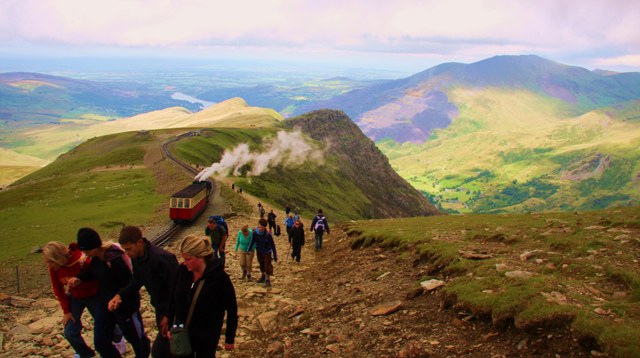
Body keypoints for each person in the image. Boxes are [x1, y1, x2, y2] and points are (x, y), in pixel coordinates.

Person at [68, 228, 150, 358]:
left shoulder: (115, 259)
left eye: (87, 250)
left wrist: (119, 296)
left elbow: (131, 282)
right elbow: (94, 273)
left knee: (136, 339)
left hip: (125, 306)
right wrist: (80, 278)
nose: (85, 254)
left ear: (95, 246)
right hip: (104, 303)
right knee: (100, 342)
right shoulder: (95, 258)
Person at [43, 241, 127, 358]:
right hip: (76, 297)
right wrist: (66, 311)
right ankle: (85, 353)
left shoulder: (81, 260)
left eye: (51, 262)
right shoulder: (55, 268)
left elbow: (97, 273)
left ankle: (118, 338)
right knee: (69, 331)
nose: (50, 265)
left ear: (58, 258)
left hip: (94, 295)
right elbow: (58, 289)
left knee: (104, 324)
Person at [108, 226, 178, 358]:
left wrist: (168, 315)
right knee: (169, 348)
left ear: (139, 242)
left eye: (129, 249)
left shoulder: (162, 259)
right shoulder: (137, 257)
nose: (127, 254)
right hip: (160, 308)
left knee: (163, 350)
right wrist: (119, 295)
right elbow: (138, 279)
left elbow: (177, 289)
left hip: (174, 310)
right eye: (125, 250)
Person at [169, 234, 237, 357]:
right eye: (183, 259)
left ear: (201, 257)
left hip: (206, 338)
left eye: (188, 259)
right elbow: (174, 297)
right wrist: (170, 324)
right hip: (182, 333)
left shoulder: (219, 278)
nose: (184, 263)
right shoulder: (183, 271)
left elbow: (232, 309)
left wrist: (229, 339)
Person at [248, 218, 278, 287]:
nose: (262, 228)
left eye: (263, 227)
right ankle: (263, 276)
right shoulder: (255, 233)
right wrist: (249, 250)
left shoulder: (268, 235)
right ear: (258, 225)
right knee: (261, 263)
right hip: (259, 250)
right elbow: (252, 241)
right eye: (261, 227)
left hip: (267, 251)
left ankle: (267, 279)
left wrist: (275, 255)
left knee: (267, 264)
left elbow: (272, 245)